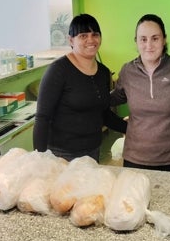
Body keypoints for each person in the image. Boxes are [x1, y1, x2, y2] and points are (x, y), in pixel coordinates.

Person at [33, 13, 126, 162]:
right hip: (61, 155)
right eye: (83, 36)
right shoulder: (58, 70)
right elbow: (42, 118)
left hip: (93, 151)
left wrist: (133, 129)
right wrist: (39, 159)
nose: (91, 40)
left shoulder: (103, 72)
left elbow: (103, 113)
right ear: (71, 40)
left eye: (95, 34)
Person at [110, 14, 170, 172]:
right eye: (143, 39)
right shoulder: (127, 71)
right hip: (135, 158)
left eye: (155, 38)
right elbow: (111, 99)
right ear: (136, 41)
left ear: (164, 39)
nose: (149, 45)